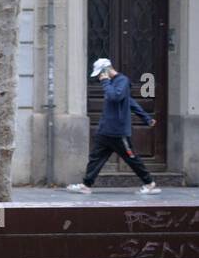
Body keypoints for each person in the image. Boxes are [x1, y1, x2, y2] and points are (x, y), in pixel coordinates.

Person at [67, 57, 160, 195]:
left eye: (100, 74)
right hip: (106, 131)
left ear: (106, 70)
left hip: (118, 131)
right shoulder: (113, 83)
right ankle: (86, 185)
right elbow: (129, 102)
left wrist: (105, 81)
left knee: (131, 158)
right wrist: (146, 118)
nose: (99, 77)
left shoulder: (122, 81)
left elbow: (115, 97)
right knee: (95, 158)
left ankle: (149, 183)